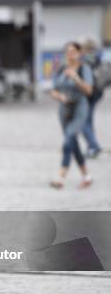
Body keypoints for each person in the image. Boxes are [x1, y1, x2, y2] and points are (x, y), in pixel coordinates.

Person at [49, 42, 93, 189]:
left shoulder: (84, 69)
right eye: (68, 51)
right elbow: (53, 90)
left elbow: (88, 90)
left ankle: (61, 175)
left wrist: (76, 78)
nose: (70, 54)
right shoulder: (61, 68)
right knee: (72, 142)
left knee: (69, 137)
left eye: (73, 51)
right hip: (64, 109)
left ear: (79, 53)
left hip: (80, 107)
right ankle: (86, 175)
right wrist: (60, 97)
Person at [81, 38, 103, 158]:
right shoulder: (98, 57)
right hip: (98, 92)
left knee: (83, 122)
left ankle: (94, 146)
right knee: (89, 120)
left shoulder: (85, 59)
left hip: (88, 92)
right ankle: (91, 148)